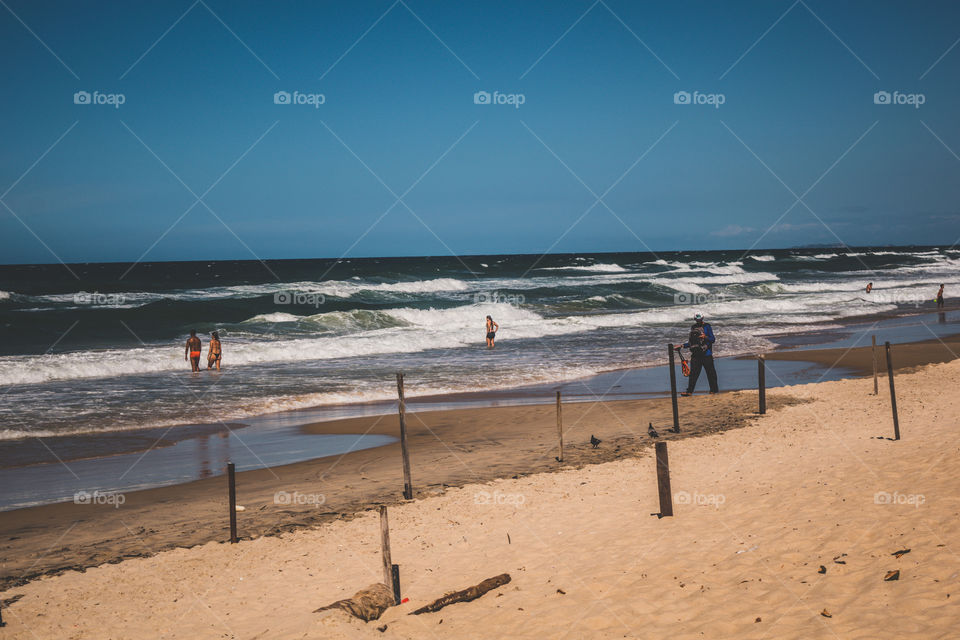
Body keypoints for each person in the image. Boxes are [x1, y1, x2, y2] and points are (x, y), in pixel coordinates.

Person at [679, 312, 718, 396]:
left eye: (699, 319)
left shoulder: (707, 326)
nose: (698, 321)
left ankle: (713, 390)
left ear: (702, 318)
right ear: (695, 319)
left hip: (706, 354)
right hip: (696, 355)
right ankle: (689, 391)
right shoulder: (693, 327)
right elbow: (691, 342)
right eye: (697, 319)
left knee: (711, 373)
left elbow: (713, 339)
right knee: (693, 374)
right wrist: (682, 346)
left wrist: (705, 337)